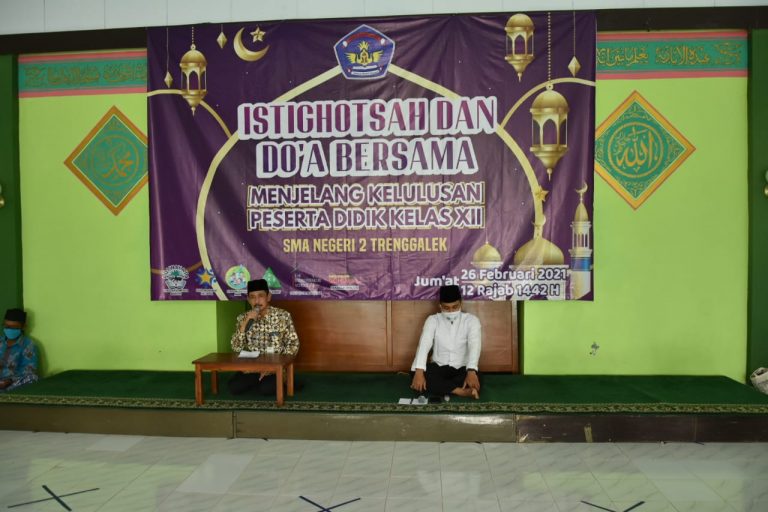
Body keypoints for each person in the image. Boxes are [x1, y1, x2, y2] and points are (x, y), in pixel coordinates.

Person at [228, 279, 299, 396]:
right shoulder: (243, 318)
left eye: (260, 296)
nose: (257, 301)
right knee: (234, 387)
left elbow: (293, 344)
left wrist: (278, 366)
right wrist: (245, 323)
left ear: (268, 297)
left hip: (276, 367)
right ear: (248, 300)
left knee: (266, 389)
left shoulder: (283, 316)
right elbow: (236, 347)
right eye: (252, 297)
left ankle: (283, 380)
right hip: (253, 367)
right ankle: (259, 380)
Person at [410, 285, 482, 400]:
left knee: (476, 377)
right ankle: (461, 391)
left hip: (463, 368)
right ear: (440, 306)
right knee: (417, 374)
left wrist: (471, 371)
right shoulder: (433, 320)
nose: (451, 311)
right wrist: (419, 372)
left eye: (455, 307)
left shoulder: (471, 321)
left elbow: (475, 346)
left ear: (461, 303)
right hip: (439, 366)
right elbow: (424, 344)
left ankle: (444, 388)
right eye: (446, 308)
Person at [0, 308, 39, 392]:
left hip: (12, 383)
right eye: (7, 326)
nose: (9, 329)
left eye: (13, 327)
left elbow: (29, 370)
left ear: (23, 327)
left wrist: (9, 381)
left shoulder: (28, 345)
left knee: (32, 378)